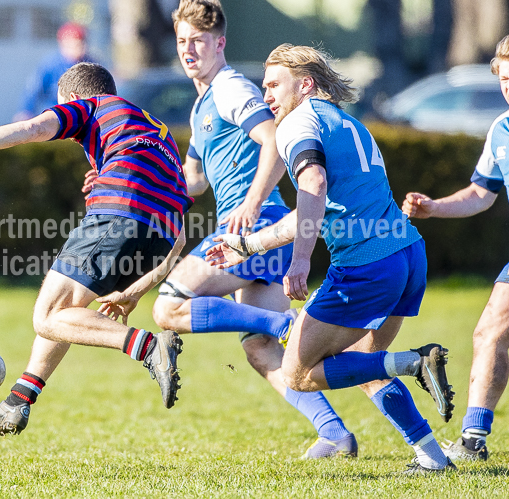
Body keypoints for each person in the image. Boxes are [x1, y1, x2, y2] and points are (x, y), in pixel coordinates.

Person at [205, 44, 457, 473]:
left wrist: (300, 261)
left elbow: (314, 184)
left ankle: (413, 361)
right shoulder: (345, 122)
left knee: (297, 374)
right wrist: (248, 246)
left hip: (368, 265)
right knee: (361, 363)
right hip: (408, 254)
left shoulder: (297, 122)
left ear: (305, 84)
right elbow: (310, 210)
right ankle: (431, 457)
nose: (266, 94)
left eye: (273, 85)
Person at [0, 62, 193, 435]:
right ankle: (18, 402)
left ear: (71, 98)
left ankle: (146, 346)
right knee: (67, 312)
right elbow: (178, 236)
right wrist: (133, 293)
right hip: (160, 235)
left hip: (119, 213)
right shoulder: (156, 132)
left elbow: (32, 128)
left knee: (46, 316)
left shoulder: (92, 105)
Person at [150, 0, 356, 459]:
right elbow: (192, 183)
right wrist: (119, 176)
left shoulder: (229, 88)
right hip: (256, 229)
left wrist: (251, 201)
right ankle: (336, 434)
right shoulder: (203, 104)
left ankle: (283, 324)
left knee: (169, 308)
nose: (188, 51)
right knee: (262, 350)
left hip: (253, 226)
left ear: (219, 43)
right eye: (182, 41)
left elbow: (274, 142)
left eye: (198, 42)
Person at [402, 34, 509, 463]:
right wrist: (433, 208)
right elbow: (482, 193)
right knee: (489, 331)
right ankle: (472, 440)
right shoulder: (501, 129)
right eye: (504, 79)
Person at [14, 22, 93, 121]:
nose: (78, 47)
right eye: (74, 44)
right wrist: (26, 111)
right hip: (56, 116)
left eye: (81, 43)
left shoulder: (91, 64)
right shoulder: (50, 64)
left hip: (84, 117)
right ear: (63, 43)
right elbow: (33, 89)